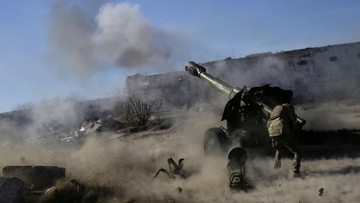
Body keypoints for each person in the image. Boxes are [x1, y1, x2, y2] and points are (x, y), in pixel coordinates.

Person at [267, 103, 302, 177]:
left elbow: (268, 123)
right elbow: (294, 122)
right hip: (282, 131)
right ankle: (295, 171)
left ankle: (276, 169)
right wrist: (297, 129)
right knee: (297, 151)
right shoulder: (289, 109)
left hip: (272, 132)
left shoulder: (276, 109)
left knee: (279, 150)